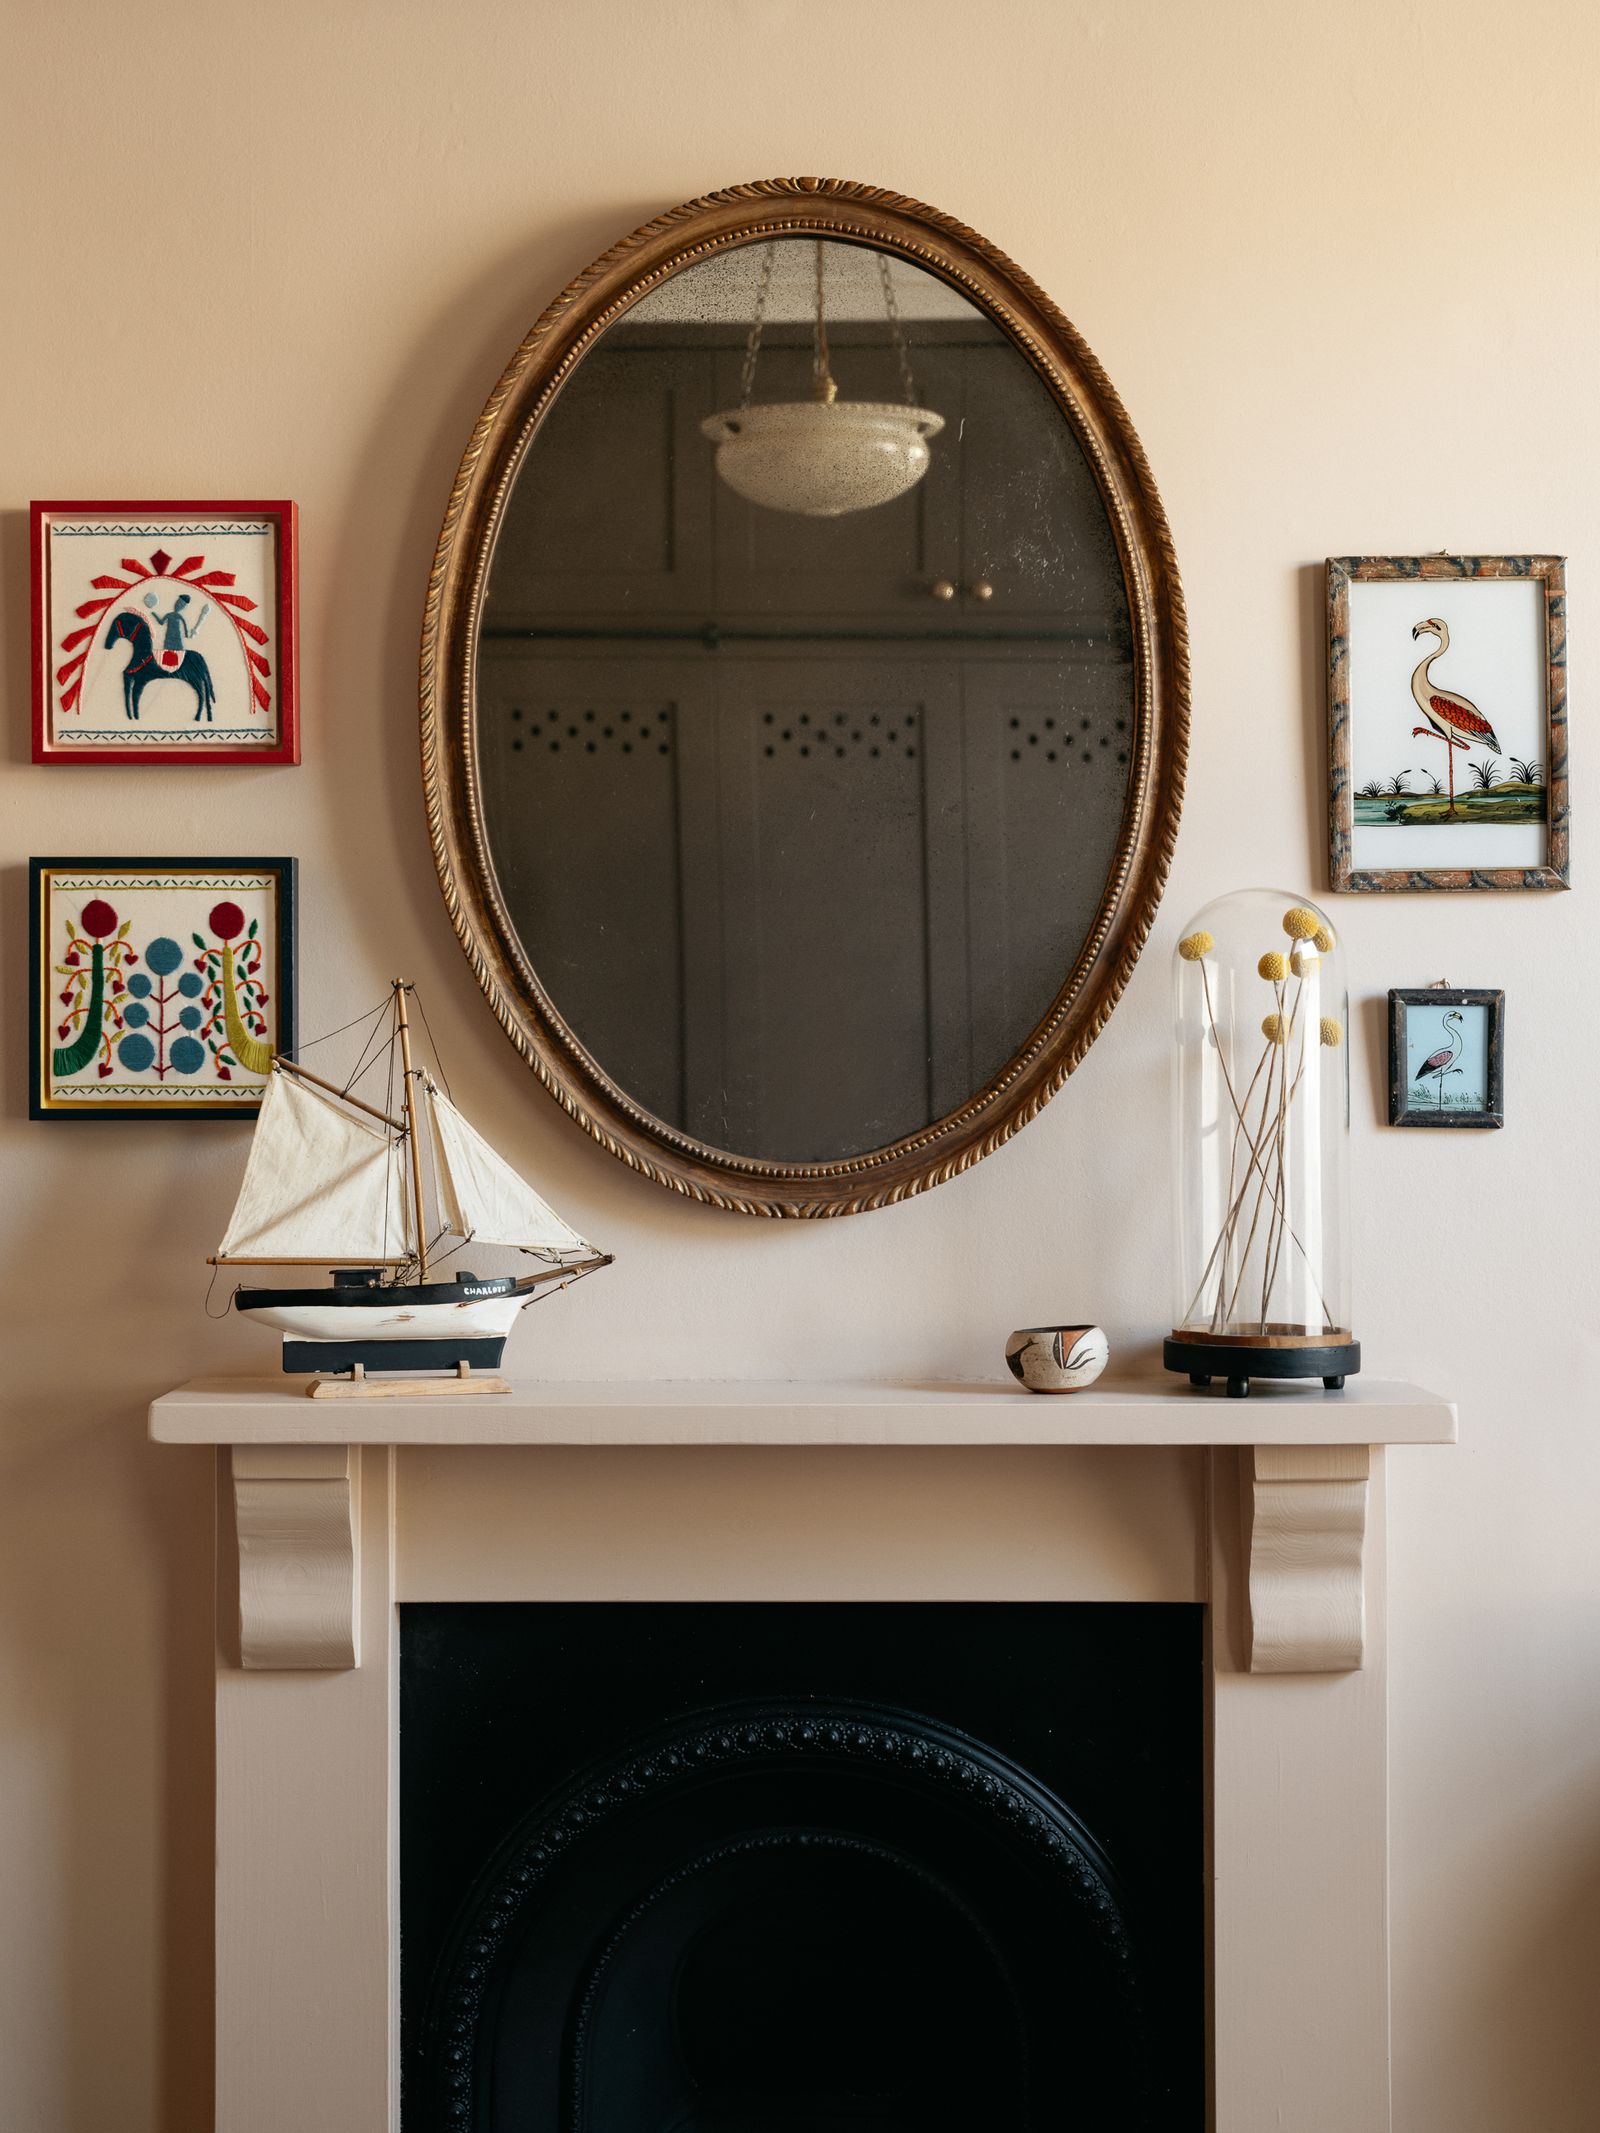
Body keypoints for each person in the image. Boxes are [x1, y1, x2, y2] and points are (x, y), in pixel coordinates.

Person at [143, 590, 210, 669]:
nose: (178, 605)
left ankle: (176, 665)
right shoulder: (170, 615)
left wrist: (187, 634)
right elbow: (161, 622)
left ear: (183, 607)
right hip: (169, 637)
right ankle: (168, 665)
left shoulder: (179, 616)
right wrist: (155, 615)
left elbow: (184, 627)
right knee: (168, 650)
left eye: (181, 604)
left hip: (177, 637)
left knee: (178, 650)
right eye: (178, 602)